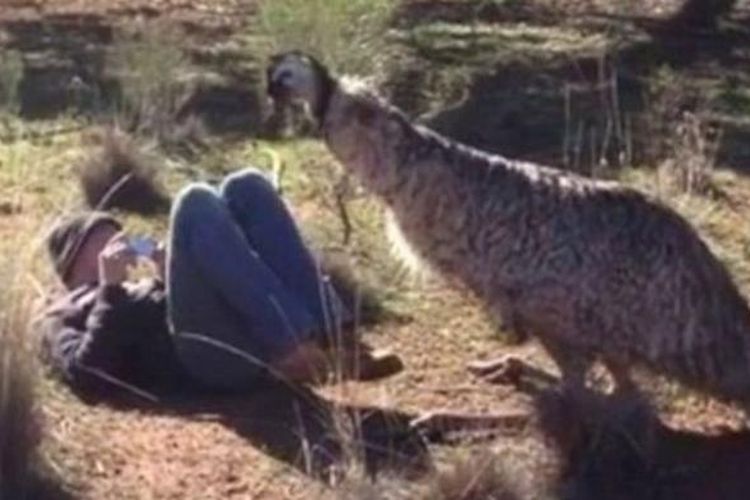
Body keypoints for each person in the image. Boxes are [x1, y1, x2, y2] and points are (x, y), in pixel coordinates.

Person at [38, 168, 402, 400]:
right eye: (102, 239)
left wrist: (168, 277)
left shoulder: (137, 286)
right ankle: (293, 350)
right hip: (204, 362)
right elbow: (86, 377)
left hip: (233, 331)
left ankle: (335, 336)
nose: (118, 244)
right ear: (72, 257)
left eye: (118, 236)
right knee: (194, 202)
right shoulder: (60, 312)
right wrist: (110, 292)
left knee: (246, 186)